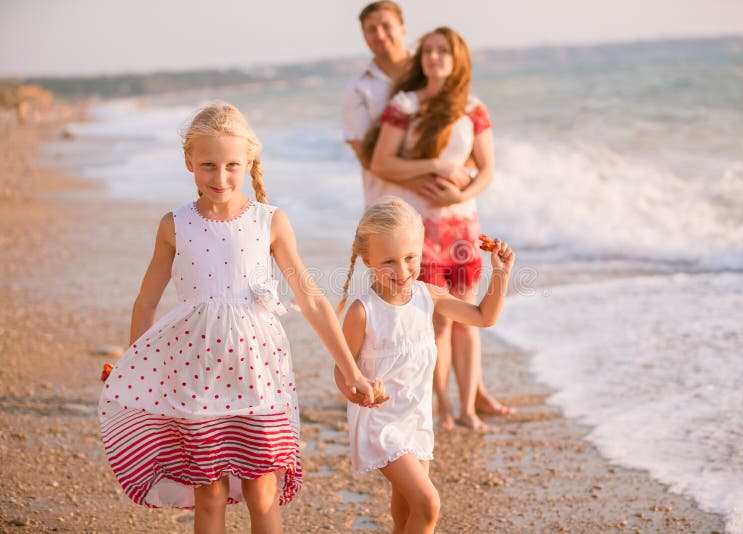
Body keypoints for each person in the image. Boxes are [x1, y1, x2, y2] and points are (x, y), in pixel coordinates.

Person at [98, 102, 378, 533]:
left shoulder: (270, 221)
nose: (221, 177)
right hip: (195, 373)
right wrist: (138, 365)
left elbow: (313, 301)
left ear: (249, 162)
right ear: (188, 161)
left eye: (232, 165)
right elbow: (145, 302)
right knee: (208, 492)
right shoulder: (174, 225)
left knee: (261, 490)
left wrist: (350, 367)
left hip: (258, 372)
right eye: (208, 165)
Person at [333, 197, 515, 533]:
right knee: (428, 504)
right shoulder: (363, 311)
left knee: (405, 510)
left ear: (421, 251)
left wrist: (500, 275)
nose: (402, 271)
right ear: (368, 260)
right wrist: (356, 390)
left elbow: (483, 317)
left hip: (416, 418)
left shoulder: (427, 296)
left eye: (410, 258)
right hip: (379, 420)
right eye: (389, 261)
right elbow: (342, 367)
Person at [363, 26, 511, 431]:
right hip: (421, 228)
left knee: (468, 316)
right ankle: (442, 407)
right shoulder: (406, 104)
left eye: (443, 51)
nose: (434, 57)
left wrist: (458, 196)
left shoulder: (473, 108)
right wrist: (436, 167)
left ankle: (468, 409)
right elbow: (381, 162)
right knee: (438, 319)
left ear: (457, 57)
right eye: (427, 50)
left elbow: (487, 171)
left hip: (463, 226)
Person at [342, 1, 410, 206]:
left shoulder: (431, 72)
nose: (380, 35)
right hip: (388, 205)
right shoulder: (357, 89)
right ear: (364, 37)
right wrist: (427, 180)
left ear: (403, 29)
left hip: (444, 200)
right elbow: (366, 156)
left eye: (386, 26)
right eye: (371, 30)